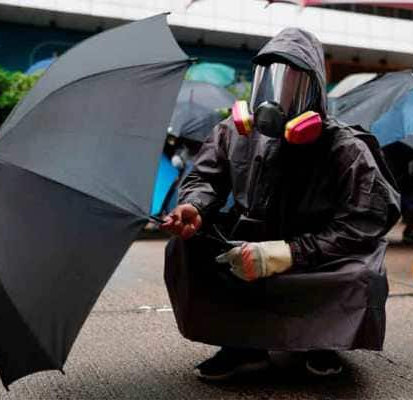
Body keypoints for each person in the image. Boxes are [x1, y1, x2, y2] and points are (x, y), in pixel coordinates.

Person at [160, 28, 400, 381]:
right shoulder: (233, 130)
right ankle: (242, 346)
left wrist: (288, 253)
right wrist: (194, 207)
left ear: (315, 89)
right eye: (270, 78)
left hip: (316, 255)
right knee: (184, 248)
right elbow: (205, 179)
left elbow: (366, 219)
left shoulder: (344, 146)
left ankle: (320, 342)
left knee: (364, 274)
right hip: (246, 245)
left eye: (294, 80)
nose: (280, 91)